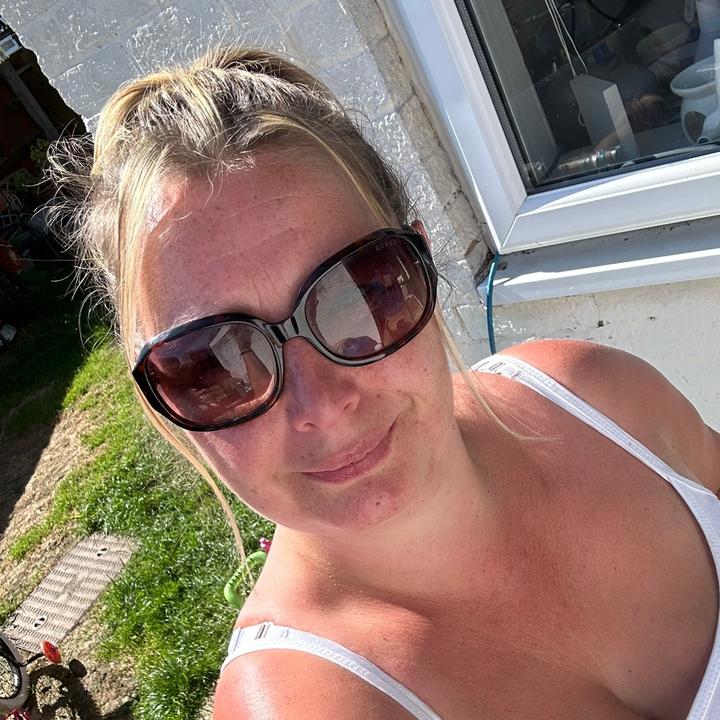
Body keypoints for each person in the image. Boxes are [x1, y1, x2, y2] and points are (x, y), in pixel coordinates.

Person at [48, 46, 720, 719]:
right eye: (213, 366)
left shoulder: (598, 397)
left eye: (361, 293)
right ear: (161, 404)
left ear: (421, 264)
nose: (323, 403)